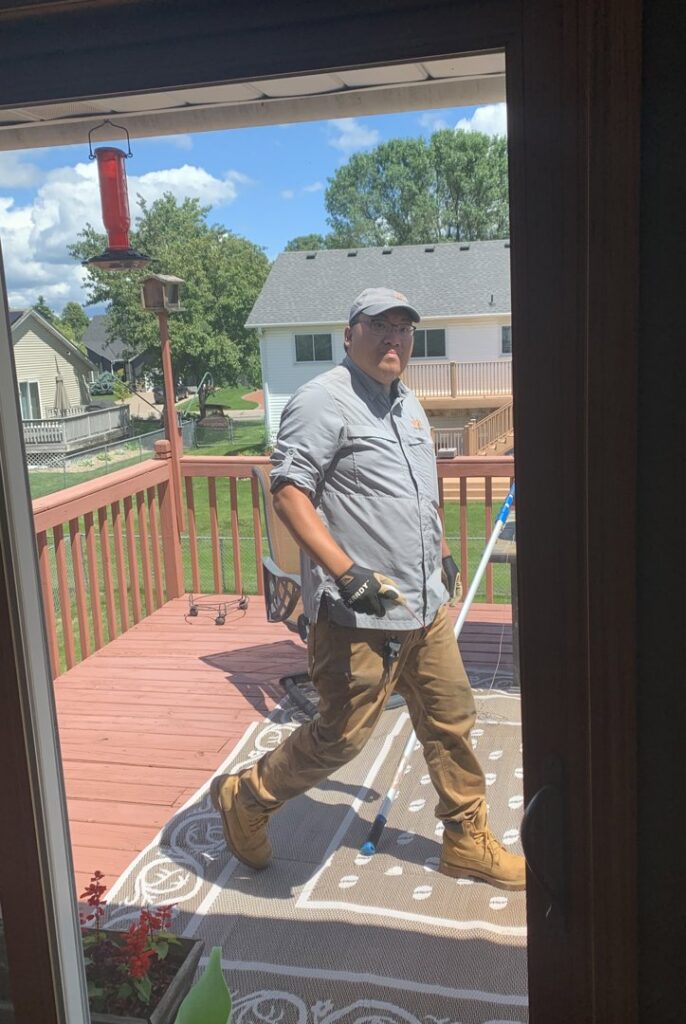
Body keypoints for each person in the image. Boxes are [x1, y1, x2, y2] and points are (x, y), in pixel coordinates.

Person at [210, 287, 525, 891]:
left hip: (423, 607)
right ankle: (247, 798)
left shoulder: (408, 405)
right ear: (349, 334)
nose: (394, 339)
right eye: (379, 326)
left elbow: (419, 492)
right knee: (340, 738)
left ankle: (466, 839)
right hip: (361, 612)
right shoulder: (322, 400)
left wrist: (442, 551)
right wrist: (347, 571)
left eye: (404, 329)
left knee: (451, 719)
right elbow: (290, 491)